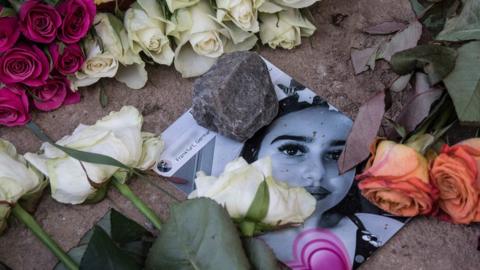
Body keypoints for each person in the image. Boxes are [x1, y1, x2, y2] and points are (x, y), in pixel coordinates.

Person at [241, 93, 403, 270]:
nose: (317, 173)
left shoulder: (380, 230)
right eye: (292, 150)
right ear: (254, 155)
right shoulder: (226, 236)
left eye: (337, 155)